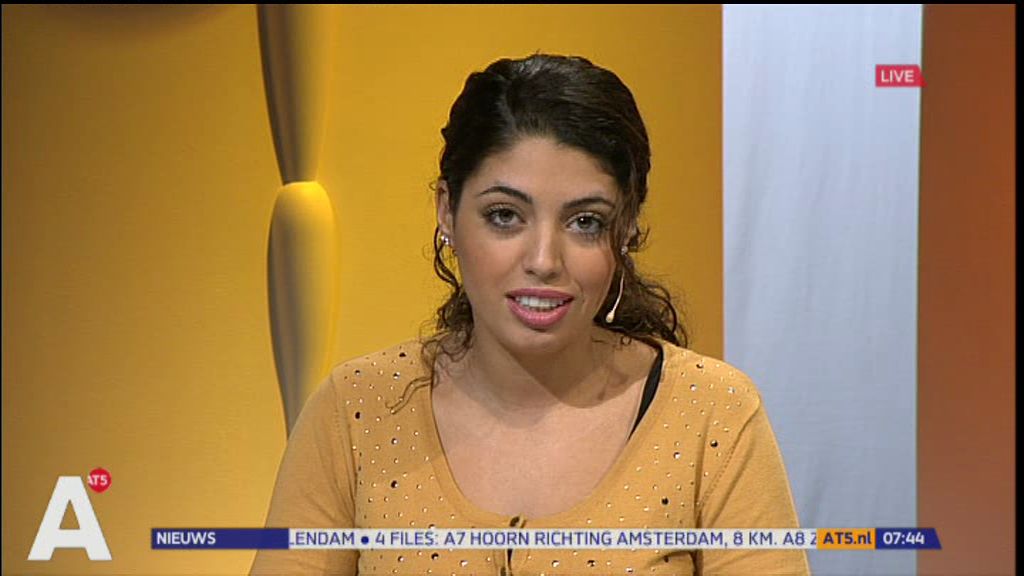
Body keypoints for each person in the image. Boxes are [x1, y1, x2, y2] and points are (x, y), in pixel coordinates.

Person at [251, 53, 809, 575]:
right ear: (447, 211)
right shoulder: (356, 410)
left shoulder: (714, 415)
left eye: (585, 222)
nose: (544, 260)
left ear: (627, 228)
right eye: (504, 215)